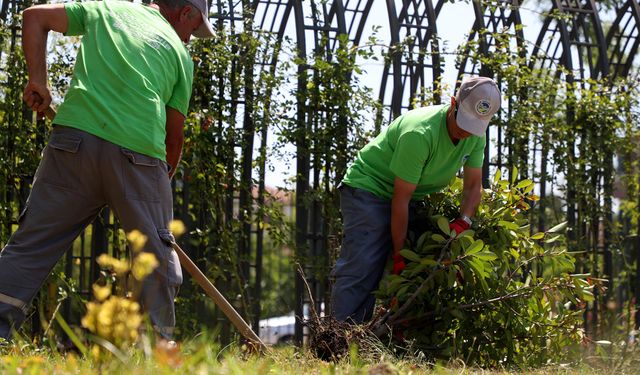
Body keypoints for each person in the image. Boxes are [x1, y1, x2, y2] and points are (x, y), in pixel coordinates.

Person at [0, 0, 214, 341]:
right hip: (139, 155)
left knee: (33, 244)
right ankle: (154, 350)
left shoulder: (108, 8)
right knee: (155, 260)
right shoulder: (178, 53)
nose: (190, 38)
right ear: (185, 13)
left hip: (73, 144)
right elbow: (174, 138)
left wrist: (38, 80)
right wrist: (156, 192)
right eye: (194, 28)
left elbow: (34, 16)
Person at [331, 77, 501, 323]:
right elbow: (400, 201)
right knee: (364, 264)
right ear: (453, 103)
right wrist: (400, 255)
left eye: (474, 126)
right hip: (370, 188)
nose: (466, 131)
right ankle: (337, 343)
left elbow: (474, 186)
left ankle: (390, 340)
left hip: (413, 196)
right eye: (464, 122)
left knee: (421, 262)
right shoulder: (419, 133)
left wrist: (463, 221)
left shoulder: (476, 135)